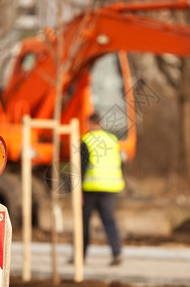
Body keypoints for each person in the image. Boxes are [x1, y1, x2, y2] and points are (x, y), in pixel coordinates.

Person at [80, 113, 125, 266]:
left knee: (84, 222)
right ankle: (117, 252)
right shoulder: (112, 140)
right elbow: (120, 163)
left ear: (91, 123)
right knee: (109, 221)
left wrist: (78, 190)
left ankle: (81, 256)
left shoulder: (87, 140)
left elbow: (82, 167)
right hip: (110, 187)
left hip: (91, 188)